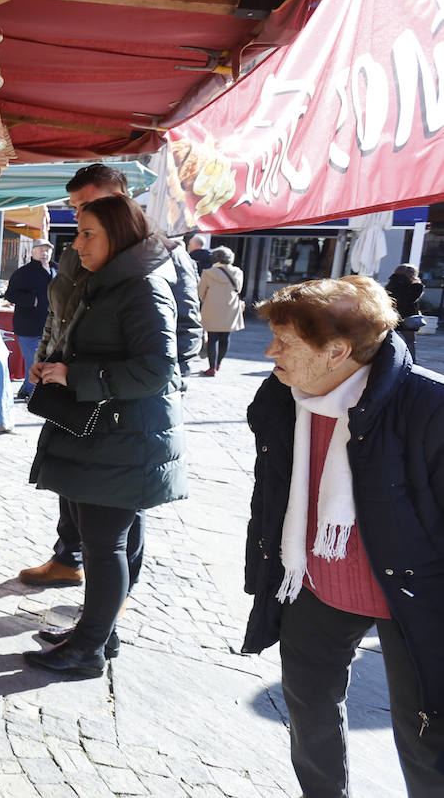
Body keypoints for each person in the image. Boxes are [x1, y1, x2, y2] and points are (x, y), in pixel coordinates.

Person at [243, 276, 444, 796]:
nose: (270, 352)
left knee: (427, 740)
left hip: (416, 600)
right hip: (314, 584)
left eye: (285, 341)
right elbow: (272, 495)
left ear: (336, 351)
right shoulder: (284, 396)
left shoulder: (430, 407)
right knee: (308, 710)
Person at [22, 195, 187, 676]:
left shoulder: (142, 289)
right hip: (102, 436)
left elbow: (157, 370)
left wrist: (77, 377)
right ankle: (95, 635)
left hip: (122, 440)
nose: (79, 243)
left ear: (119, 235)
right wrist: (60, 367)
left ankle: (89, 648)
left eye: (89, 232)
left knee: (105, 545)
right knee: (100, 540)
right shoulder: (110, 284)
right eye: (78, 232)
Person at [2, 241, 56, 400]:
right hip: (28, 326)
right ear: (32, 252)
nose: (44, 252)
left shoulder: (57, 270)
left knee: (39, 360)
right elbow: (10, 295)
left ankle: (26, 389)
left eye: (47, 249)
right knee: (35, 360)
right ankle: (34, 394)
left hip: (51, 327)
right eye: (40, 249)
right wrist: (32, 300)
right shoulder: (24, 272)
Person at [197, 245, 244, 376]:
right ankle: (218, 364)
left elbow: (201, 292)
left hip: (212, 308)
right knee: (226, 337)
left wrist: (209, 300)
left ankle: (211, 367)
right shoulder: (238, 272)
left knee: (212, 339)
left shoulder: (208, 273)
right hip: (231, 307)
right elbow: (239, 289)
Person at [385, 263, 425, 358]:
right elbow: (411, 298)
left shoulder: (391, 284)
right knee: (410, 341)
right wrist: (418, 285)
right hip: (407, 317)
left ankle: (388, 358)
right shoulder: (412, 286)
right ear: (412, 275)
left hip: (391, 316)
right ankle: (412, 362)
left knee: (388, 340)